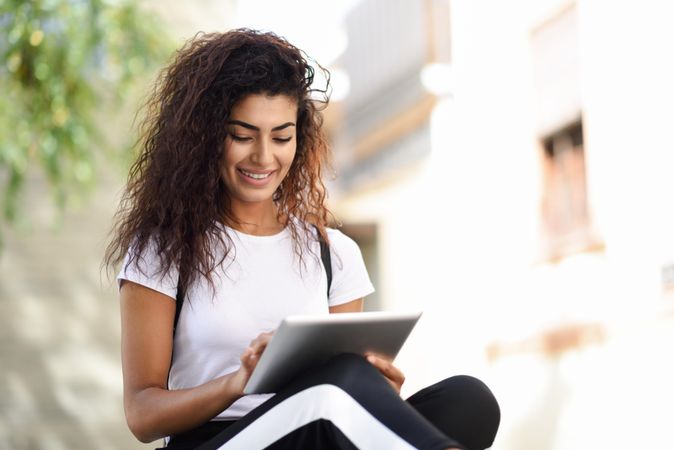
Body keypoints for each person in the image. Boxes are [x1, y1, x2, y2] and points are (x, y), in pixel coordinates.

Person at [104, 28, 500, 450]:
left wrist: (379, 392)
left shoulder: (335, 255)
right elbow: (143, 415)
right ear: (205, 138)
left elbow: (346, 383)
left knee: (467, 400)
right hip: (219, 441)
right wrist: (238, 383)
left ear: (300, 136)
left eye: (281, 136)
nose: (263, 156)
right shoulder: (163, 250)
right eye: (242, 135)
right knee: (333, 388)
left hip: (318, 430)